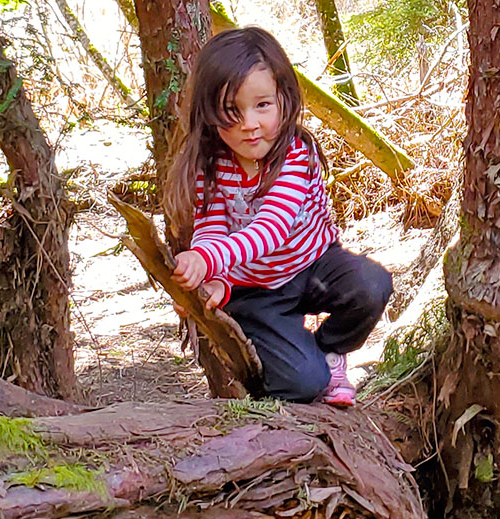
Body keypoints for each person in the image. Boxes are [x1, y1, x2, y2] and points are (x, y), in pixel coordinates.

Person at [164, 27, 392, 407]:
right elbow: (211, 227)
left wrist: (206, 261)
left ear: (284, 100)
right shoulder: (212, 163)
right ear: (209, 114)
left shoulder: (296, 155)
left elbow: (272, 228)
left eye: (262, 106)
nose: (248, 124)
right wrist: (214, 279)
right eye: (230, 111)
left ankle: (331, 353)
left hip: (313, 265)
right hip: (255, 289)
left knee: (372, 284)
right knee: (303, 386)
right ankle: (298, 366)